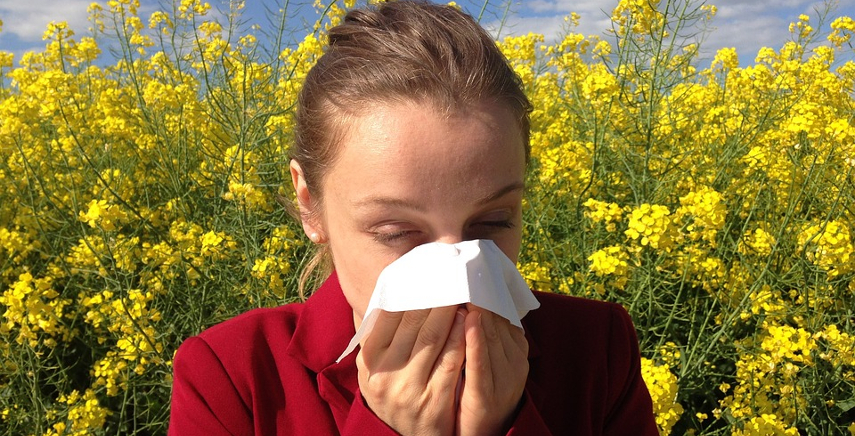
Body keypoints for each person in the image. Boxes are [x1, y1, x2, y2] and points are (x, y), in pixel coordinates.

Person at [168, 1, 658, 434]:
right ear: (310, 205)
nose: (458, 276)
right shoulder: (233, 377)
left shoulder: (596, 349)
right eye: (397, 231)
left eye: (493, 223)